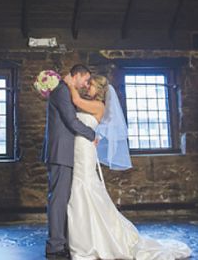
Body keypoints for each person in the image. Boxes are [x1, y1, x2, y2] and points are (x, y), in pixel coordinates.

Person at [64, 74, 192, 260]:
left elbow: (74, 100)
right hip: (79, 148)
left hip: (85, 150)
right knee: (81, 189)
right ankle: (87, 236)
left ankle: (93, 241)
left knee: (83, 187)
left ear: (98, 90)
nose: (87, 87)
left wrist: (69, 84)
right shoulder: (89, 103)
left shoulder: (98, 106)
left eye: (90, 85)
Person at [42, 64, 96, 259]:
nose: (86, 83)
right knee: (58, 200)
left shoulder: (64, 90)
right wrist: (92, 134)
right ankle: (55, 246)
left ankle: (61, 241)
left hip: (64, 153)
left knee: (62, 198)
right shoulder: (62, 91)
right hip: (60, 153)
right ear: (77, 75)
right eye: (85, 79)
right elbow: (71, 121)